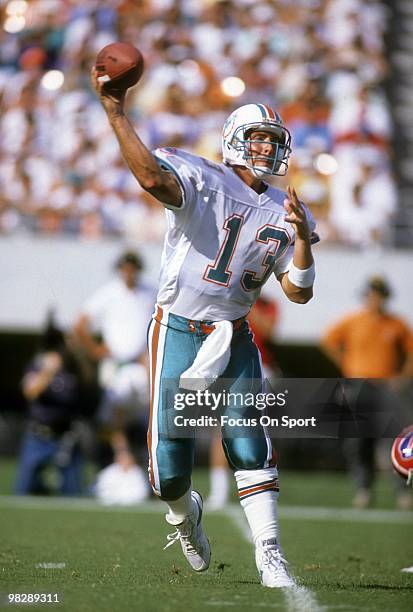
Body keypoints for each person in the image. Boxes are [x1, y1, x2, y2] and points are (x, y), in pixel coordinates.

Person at [92, 67, 319, 588]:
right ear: (235, 140)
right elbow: (151, 178)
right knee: (167, 469)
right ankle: (184, 513)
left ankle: (269, 551)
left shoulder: (286, 212)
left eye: (272, 141)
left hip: (233, 333)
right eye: (257, 139)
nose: (265, 149)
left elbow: (299, 291)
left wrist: (303, 238)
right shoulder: (202, 176)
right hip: (176, 326)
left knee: (248, 442)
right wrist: (116, 111)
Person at [321, 276, 413, 510]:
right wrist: (346, 365)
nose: (376, 299)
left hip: (386, 387)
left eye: (380, 295)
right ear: (366, 296)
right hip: (358, 385)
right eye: (373, 294)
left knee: (394, 440)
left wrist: (402, 376)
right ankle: (363, 489)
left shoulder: (396, 324)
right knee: (357, 440)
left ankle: (403, 492)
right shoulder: (353, 321)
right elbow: (328, 341)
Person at [74, 251, 155, 502]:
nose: (128, 273)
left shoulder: (150, 292)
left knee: (152, 413)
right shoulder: (108, 293)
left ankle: (150, 471)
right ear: (120, 269)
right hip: (115, 364)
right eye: (125, 268)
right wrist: (95, 350)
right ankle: (118, 460)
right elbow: (80, 323)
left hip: (142, 365)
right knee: (113, 413)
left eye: (133, 268)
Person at [15, 316, 99, 495]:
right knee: (23, 491)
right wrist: (49, 371)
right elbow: (30, 391)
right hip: (38, 435)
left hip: (66, 437)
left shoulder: (77, 368)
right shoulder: (40, 363)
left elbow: (89, 386)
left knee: (73, 491)